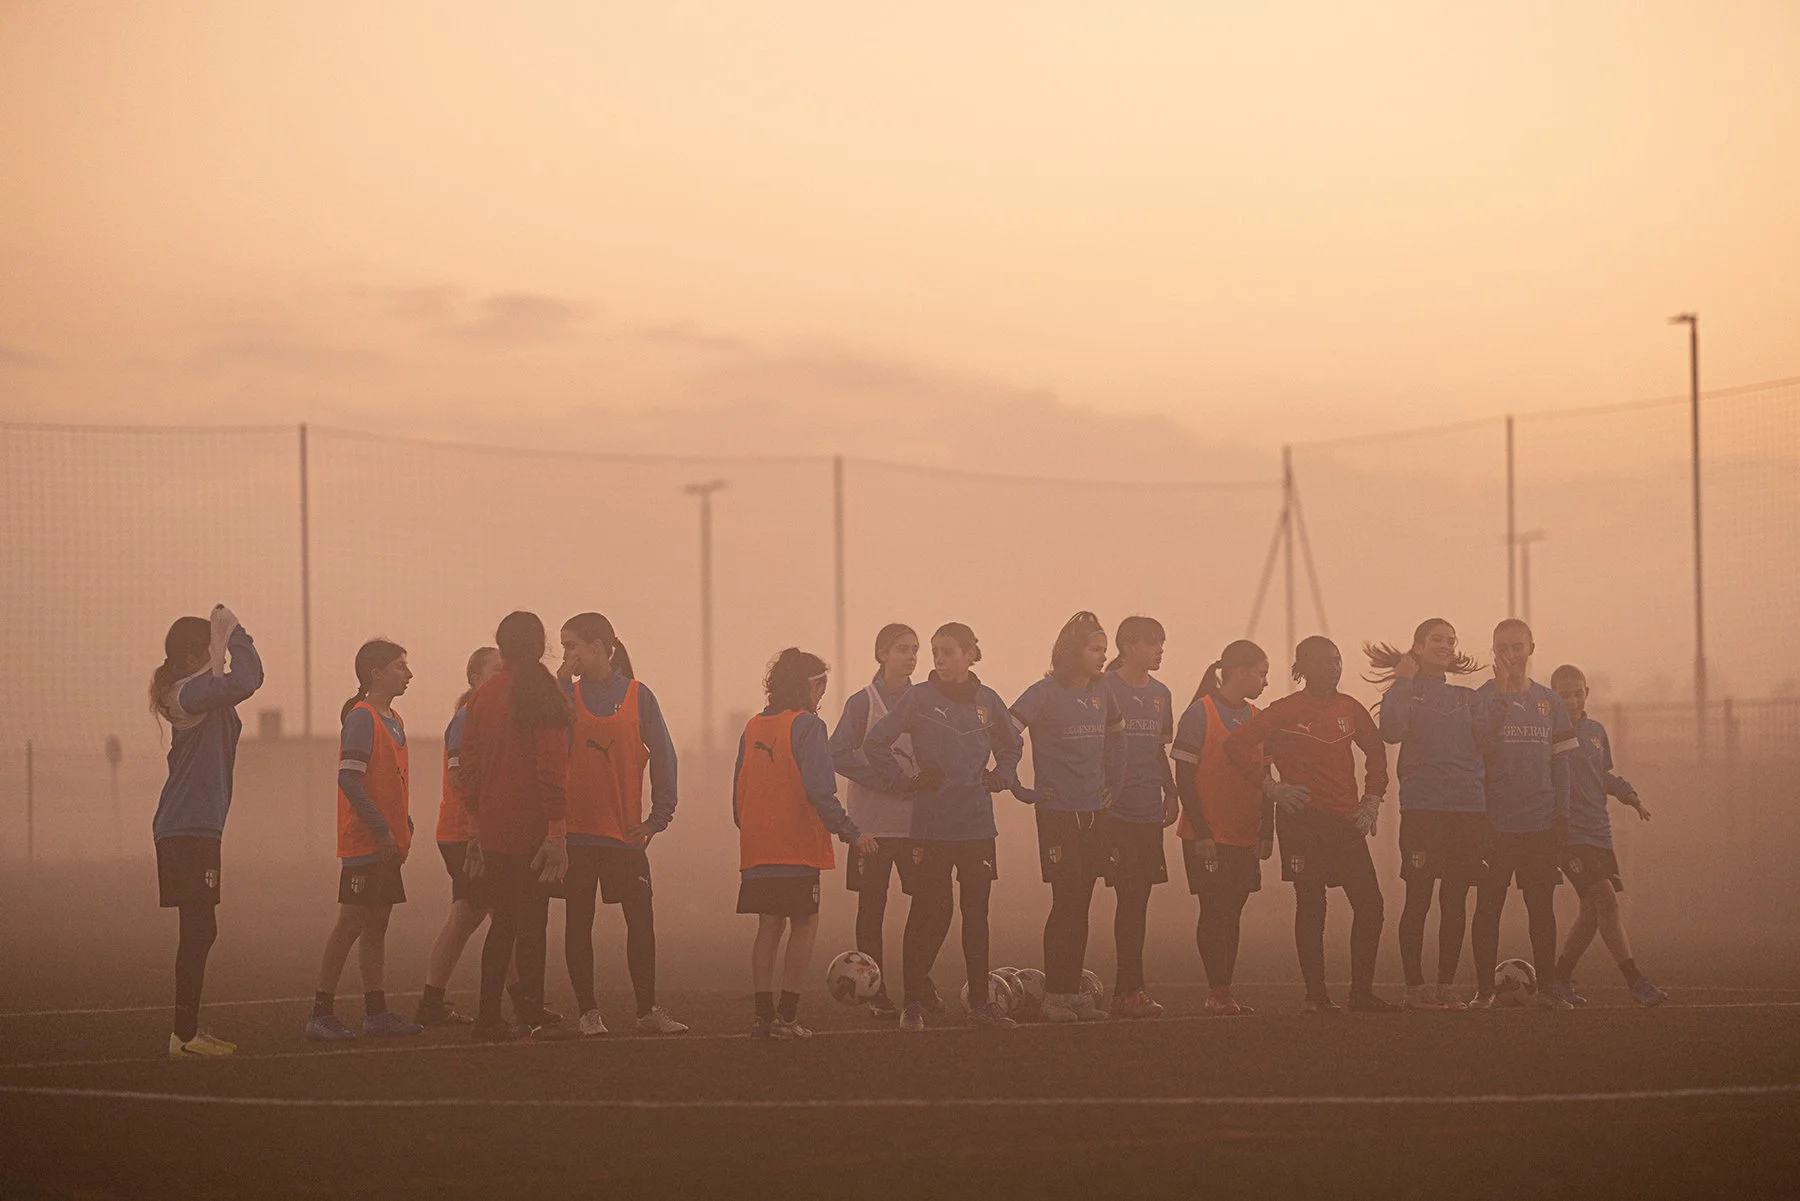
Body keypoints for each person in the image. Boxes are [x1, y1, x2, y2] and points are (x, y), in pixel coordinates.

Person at [864, 622, 1024, 1031]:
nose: (938, 658)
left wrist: (1002, 775)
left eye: (948, 651)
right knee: (927, 912)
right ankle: (912, 1003)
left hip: (977, 827)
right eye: (935, 651)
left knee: (977, 914)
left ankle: (981, 1005)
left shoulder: (988, 700)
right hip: (931, 828)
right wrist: (905, 783)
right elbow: (876, 743)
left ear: (972, 654)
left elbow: (1012, 744)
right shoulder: (918, 698)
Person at [1225, 636, 1397, 1014]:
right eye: (1322, 661)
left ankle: (1361, 993)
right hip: (1303, 824)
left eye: (1336, 660)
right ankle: (1316, 997)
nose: (1333, 667)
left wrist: (1372, 799)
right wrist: (1271, 787)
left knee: (1371, 905)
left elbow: (1376, 753)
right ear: (1302, 669)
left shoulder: (1350, 709)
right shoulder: (1284, 710)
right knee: (1312, 906)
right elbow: (1235, 746)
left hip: (1346, 822)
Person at [734, 648, 877, 1039]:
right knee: (804, 923)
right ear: (806, 685)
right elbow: (820, 789)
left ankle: (764, 1018)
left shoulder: (752, 727)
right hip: (795, 844)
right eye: (820, 685)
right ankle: (787, 1016)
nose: (822, 694)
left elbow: (738, 791)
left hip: (758, 846)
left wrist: (750, 829)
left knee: (768, 926)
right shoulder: (809, 726)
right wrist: (851, 832)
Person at [557, 612, 687, 1036]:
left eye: (571, 646)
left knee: (640, 920)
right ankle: (588, 1011)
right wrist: (559, 687)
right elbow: (547, 751)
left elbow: (664, 756)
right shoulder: (566, 696)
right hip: (575, 834)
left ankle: (647, 1008)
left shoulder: (638, 695)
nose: (566, 655)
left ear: (598, 647)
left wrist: (656, 819)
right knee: (579, 921)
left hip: (624, 834)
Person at [150, 605, 264, 1058]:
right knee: (198, 930)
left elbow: (234, 685)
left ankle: (188, 1029)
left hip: (197, 829)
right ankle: (184, 1035)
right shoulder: (189, 693)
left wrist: (227, 639)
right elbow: (248, 679)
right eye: (212, 647)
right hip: (187, 830)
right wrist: (238, 633)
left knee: (201, 929)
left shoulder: (200, 691)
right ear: (195, 653)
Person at [460, 611, 577, 1043]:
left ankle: (488, 1015)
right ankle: (530, 1014)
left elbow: (467, 766)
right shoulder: (541, 691)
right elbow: (552, 769)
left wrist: (474, 824)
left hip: (493, 826)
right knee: (532, 923)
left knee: (503, 922)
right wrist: (557, 832)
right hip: (532, 827)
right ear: (539, 644)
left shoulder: (483, 695)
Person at [1367, 618, 1493, 1011]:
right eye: (1437, 638)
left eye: (1451, 640)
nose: (1446, 645)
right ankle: (1415, 987)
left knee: (1455, 899)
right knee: (1419, 896)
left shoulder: (1467, 698)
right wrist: (1404, 680)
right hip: (1423, 809)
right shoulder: (1406, 693)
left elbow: (1488, 744)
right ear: (1418, 647)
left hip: (1468, 810)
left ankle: (1444, 986)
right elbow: (1390, 730)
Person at [305, 640, 424, 1041]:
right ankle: (320, 1013)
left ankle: (376, 1012)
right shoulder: (362, 717)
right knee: (351, 923)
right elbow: (349, 780)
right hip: (366, 842)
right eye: (400, 667)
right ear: (376, 673)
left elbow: (390, 780)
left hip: (388, 844)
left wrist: (402, 822)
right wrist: (381, 827)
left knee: (378, 924)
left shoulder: (396, 719)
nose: (408, 674)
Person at [1011, 612, 1126, 1024]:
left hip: (1095, 813)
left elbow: (1118, 737)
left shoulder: (1104, 692)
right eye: (1095, 648)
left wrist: (1116, 780)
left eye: (1104, 648)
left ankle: (1072, 991)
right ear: (1071, 651)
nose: (1102, 655)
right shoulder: (1043, 692)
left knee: (1084, 901)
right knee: (1066, 901)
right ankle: (1054, 996)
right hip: (1057, 813)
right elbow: (1008, 731)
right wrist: (1016, 783)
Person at [1470, 619, 1578, 1009]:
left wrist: (1562, 816)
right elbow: (1476, 756)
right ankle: (1484, 991)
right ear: (1493, 651)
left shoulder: (1550, 702)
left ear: (1532, 647)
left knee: (1541, 908)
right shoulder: (1481, 698)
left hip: (1540, 823)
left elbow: (1562, 765)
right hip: (1495, 825)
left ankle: (1548, 988)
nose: (1511, 655)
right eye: (1503, 648)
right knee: (1488, 907)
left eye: (1518, 646)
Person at [1547, 664, 1668, 1007]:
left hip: (1599, 833)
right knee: (1606, 900)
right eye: (1563, 694)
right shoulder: (1547, 734)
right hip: (1569, 836)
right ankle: (1636, 981)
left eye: (1577, 692)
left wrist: (1628, 795)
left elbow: (1602, 775)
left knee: (1590, 911)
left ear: (1587, 693)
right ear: (1552, 696)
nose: (1571, 700)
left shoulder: (1597, 731)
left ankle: (1558, 980)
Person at [1171, 639, 1272, 1017]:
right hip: (1208, 834)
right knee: (1215, 909)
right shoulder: (1200, 713)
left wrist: (1266, 831)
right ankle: (1217, 990)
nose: (1265, 682)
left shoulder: (1259, 717)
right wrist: (1203, 832)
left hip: (1244, 831)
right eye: (1261, 673)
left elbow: (1266, 775)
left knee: (1234, 910)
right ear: (1240, 671)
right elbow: (1184, 777)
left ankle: (1224, 990)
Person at [830, 622, 924, 1020]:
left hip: (917, 825)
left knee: (927, 904)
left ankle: (920, 984)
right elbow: (837, 753)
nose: (911, 655)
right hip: (871, 827)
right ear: (882, 654)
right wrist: (887, 780)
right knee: (872, 907)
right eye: (902, 648)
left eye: (915, 649)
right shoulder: (862, 702)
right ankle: (877, 990)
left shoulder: (924, 701)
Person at [414, 646, 501, 1028]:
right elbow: (458, 777)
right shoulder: (466, 718)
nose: (503, 677)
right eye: (495, 670)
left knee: (474, 915)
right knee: (489, 914)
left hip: (475, 832)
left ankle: (432, 1002)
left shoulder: (489, 717)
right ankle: (518, 1002)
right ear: (475, 678)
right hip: (463, 833)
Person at [1101, 615, 1178, 1018]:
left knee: (1137, 901)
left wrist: (1172, 790)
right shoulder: (1104, 687)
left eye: (1162, 643)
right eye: (1153, 643)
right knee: (1119, 900)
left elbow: (1158, 749)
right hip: (1114, 812)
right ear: (1129, 645)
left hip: (1148, 809)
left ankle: (1130, 990)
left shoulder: (1162, 694)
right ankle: (1117, 989)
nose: (1160, 650)